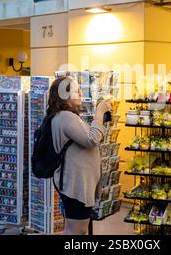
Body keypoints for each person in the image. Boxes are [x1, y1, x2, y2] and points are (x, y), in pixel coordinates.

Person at [47, 76, 112, 235]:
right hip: (76, 185)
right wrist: (99, 111)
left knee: (72, 228)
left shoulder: (64, 116)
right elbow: (92, 139)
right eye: (77, 90)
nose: (81, 93)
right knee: (79, 230)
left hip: (75, 183)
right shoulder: (66, 117)